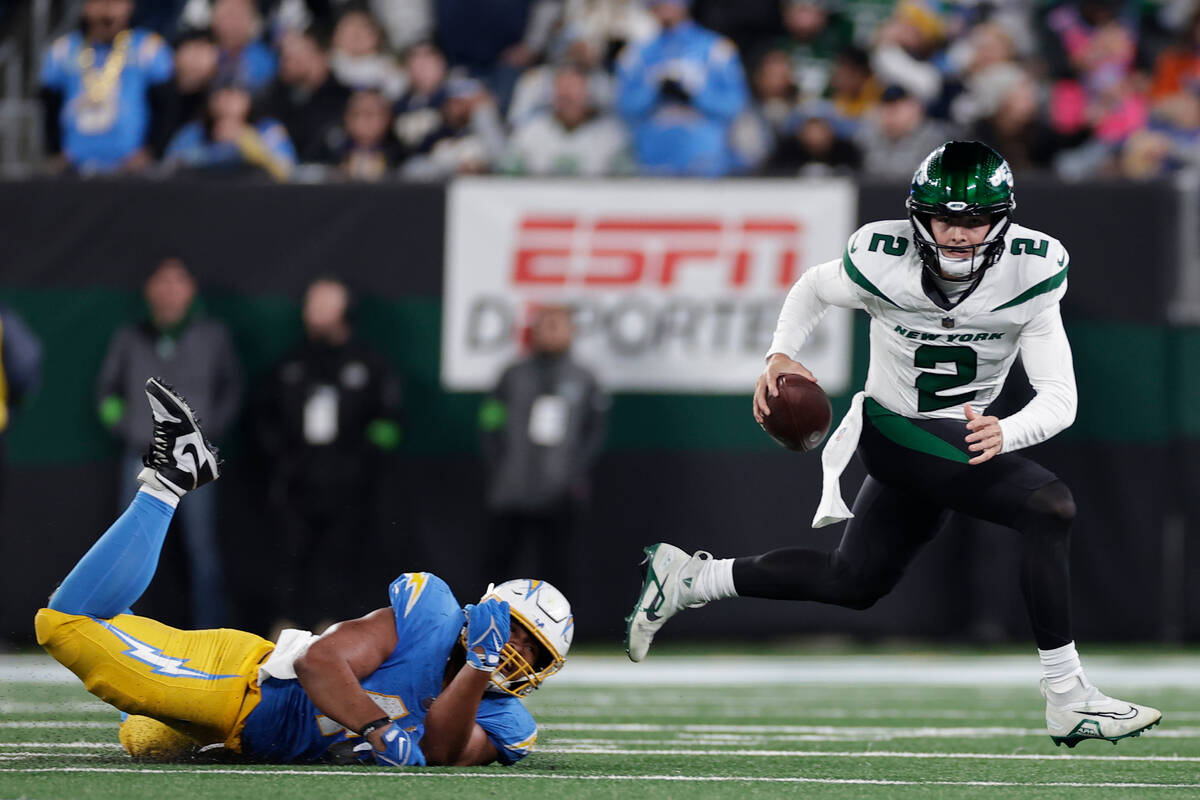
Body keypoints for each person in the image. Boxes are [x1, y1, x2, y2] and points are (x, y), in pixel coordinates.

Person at [624, 140, 1164, 749]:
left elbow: (1059, 398)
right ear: (919, 215)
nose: (960, 234)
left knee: (853, 581)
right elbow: (813, 287)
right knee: (1050, 505)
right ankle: (1068, 697)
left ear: (1003, 218)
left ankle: (691, 579)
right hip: (892, 430)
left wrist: (1007, 430)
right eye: (947, 218)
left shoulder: (1032, 272)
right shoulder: (881, 258)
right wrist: (781, 352)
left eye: (975, 219)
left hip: (948, 442)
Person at [36, 377, 573, 766]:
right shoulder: (430, 615)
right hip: (245, 692)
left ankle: (138, 563)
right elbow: (320, 663)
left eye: (533, 651)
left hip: (242, 739)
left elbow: (441, 752)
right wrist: (378, 726)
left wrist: (477, 672)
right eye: (519, 634)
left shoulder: (509, 724)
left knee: (142, 740)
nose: (518, 653)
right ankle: (170, 481)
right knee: (64, 624)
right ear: (489, 612)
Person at [96, 258, 242, 629]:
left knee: (202, 550)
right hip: (143, 458)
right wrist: (126, 428)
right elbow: (107, 393)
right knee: (130, 546)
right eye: (161, 280)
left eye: (178, 280)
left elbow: (231, 389)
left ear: (191, 289)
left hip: (194, 461)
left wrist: (208, 435)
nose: (170, 289)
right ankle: (126, 631)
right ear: (149, 289)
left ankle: (210, 633)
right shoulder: (130, 336)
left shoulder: (212, 335)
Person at [253, 278, 403, 630]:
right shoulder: (290, 364)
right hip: (295, 480)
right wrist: (282, 458)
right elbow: (263, 418)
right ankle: (286, 626)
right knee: (288, 554)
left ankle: (334, 628)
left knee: (342, 556)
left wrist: (358, 462)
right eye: (310, 305)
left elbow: (389, 424)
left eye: (324, 305)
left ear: (344, 311)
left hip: (348, 484)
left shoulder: (368, 365)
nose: (313, 314)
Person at [478, 305, 609, 595]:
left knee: (558, 566)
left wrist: (572, 472)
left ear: (571, 332)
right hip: (511, 489)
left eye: (557, 325)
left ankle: (558, 630)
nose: (550, 333)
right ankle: (486, 628)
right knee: (498, 563)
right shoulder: (512, 375)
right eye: (545, 325)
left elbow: (594, 430)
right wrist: (501, 467)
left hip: (559, 490)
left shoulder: (584, 378)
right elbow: (489, 422)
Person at [615, 0, 750, 176]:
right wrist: (654, 90)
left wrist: (695, 94)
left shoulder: (716, 48)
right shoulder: (636, 53)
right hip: (651, 163)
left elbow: (736, 104)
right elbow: (623, 107)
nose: (663, 5)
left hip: (706, 163)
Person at [39, 0, 173, 174]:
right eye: (99, 3)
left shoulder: (148, 47)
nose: (107, 13)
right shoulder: (63, 50)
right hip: (74, 167)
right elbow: (49, 106)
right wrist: (55, 151)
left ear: (130, 6)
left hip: (131, 169)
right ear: (86, 7)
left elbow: (166, 106)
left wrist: (151, 151)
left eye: (116, 3)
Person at [164, 79, 297, 179]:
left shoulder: (268, 129)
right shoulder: (193, 131)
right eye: (220, 96)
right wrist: (215, 150)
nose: (227, 102)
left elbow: (286, 171)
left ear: (248, 100)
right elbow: (170, 169)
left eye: (234, 95)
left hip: (255, 199)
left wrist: (245, 139)